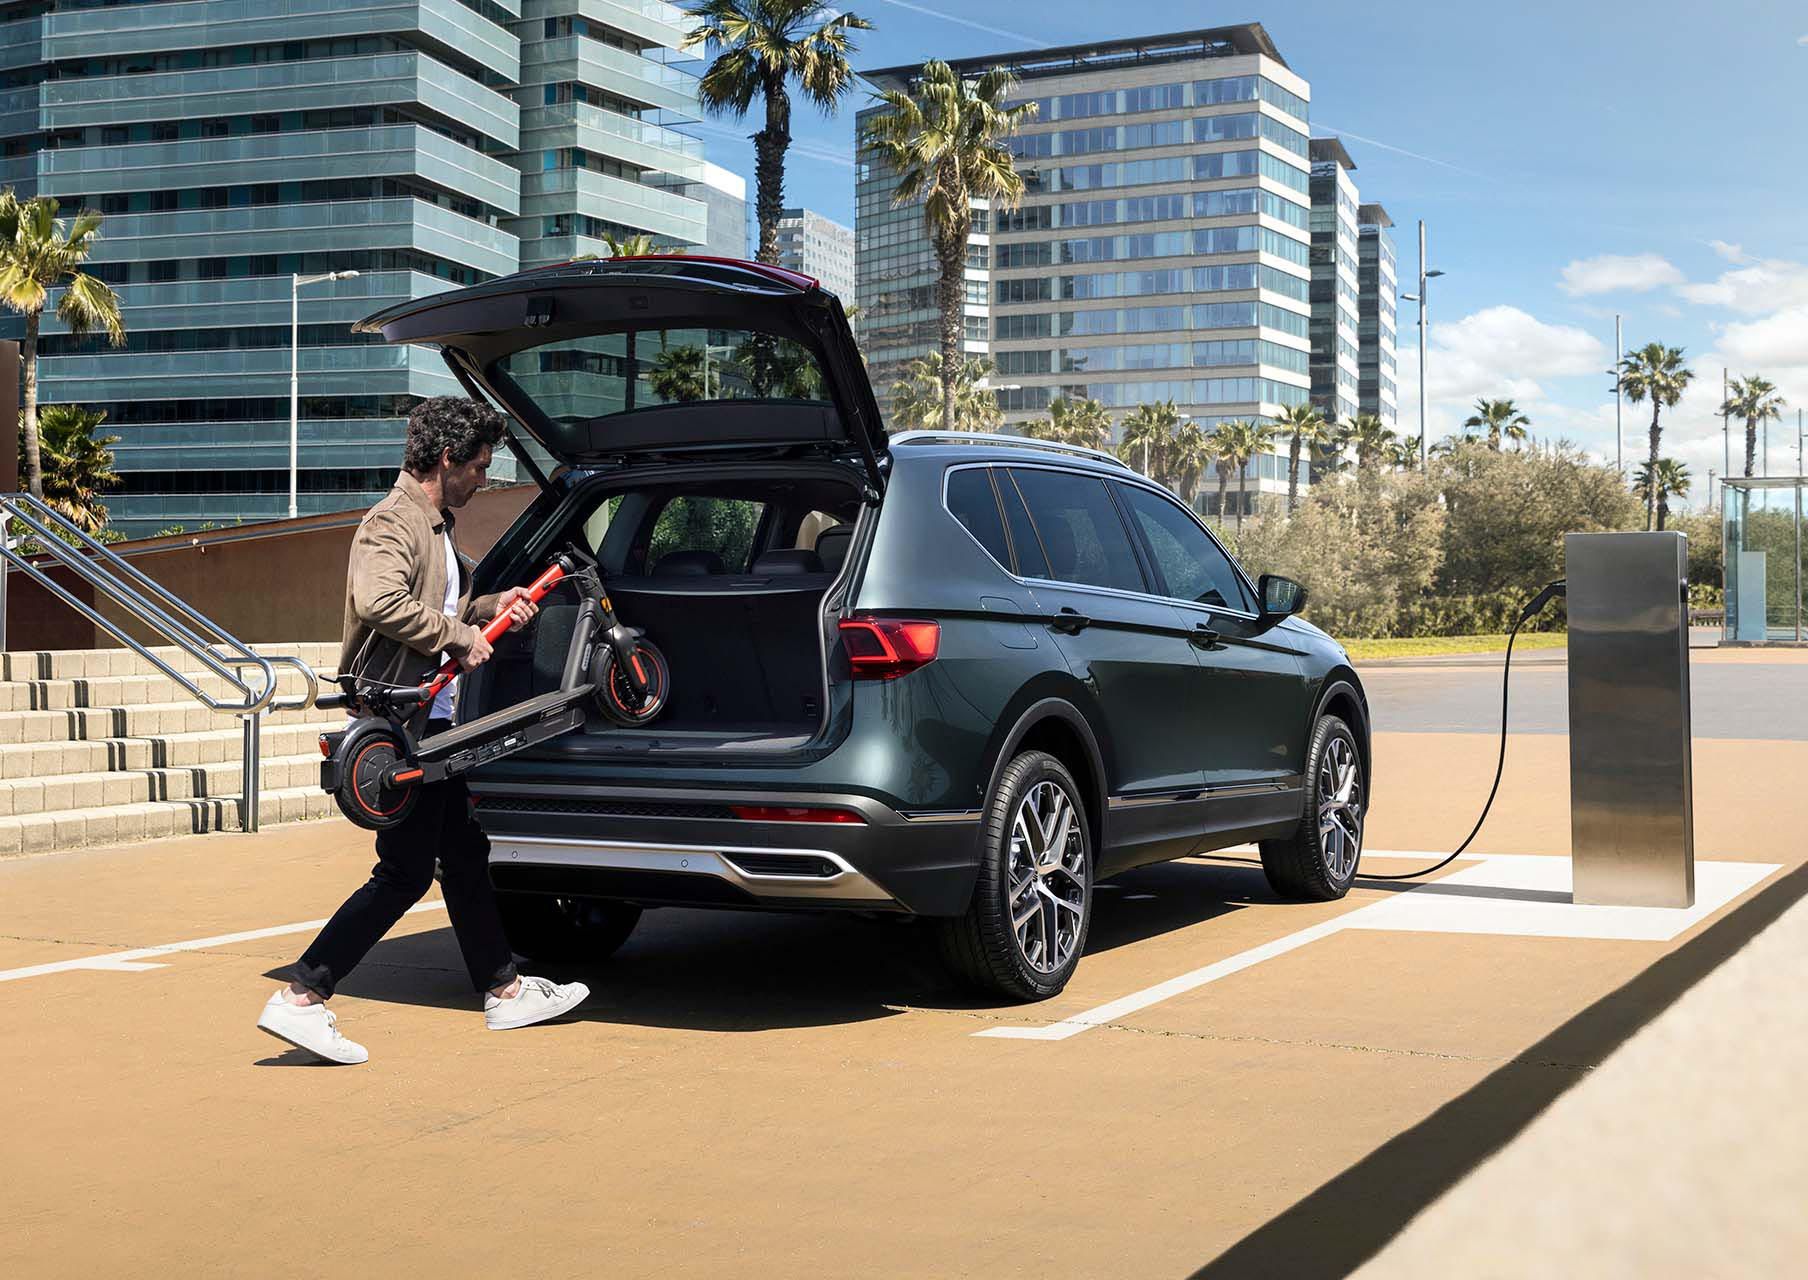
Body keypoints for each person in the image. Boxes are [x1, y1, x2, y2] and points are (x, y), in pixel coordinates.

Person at [256, 397, 590, 1064]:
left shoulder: (435, 526)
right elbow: (380, 601)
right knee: (405, 874)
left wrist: (497, 606)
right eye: (480, 466)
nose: (485, 478)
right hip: (396, 717)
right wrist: (460, 638)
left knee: (462, 853)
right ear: (447, 460)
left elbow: (448, 602)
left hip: (429, 718)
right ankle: (302, 996)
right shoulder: (393, 522)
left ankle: (504, 990)